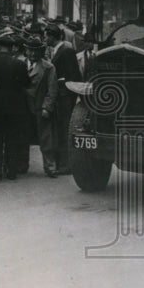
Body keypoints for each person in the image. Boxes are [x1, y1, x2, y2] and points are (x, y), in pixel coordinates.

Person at [0, 33, 30, 181]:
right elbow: (26, 84)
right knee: (12, 139)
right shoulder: (19, 64)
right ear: (11, 47)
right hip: (15, 108)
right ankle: (11, 171)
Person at [46, 24, 82, 176]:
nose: (45, 38)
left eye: (47, 36)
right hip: (60, 97)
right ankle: (62, 162)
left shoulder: (66, 52)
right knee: (59, 130)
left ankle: (65, 164)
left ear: (53, 36)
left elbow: (74, 76)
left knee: (63, 130)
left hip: (65, 98)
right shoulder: (57, 51)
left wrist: (65, 89)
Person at [24, 35, 59, 177]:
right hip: (24, 107)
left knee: (46, 138)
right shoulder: (20, 63)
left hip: (39, 106)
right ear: (26, 50)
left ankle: (50, 166)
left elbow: (52, 89)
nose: (32, 54)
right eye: (30, 50)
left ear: (41, 51)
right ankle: (22, 165)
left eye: (36, 51)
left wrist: (47, 107)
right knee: (23, 137)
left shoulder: (48, 67)